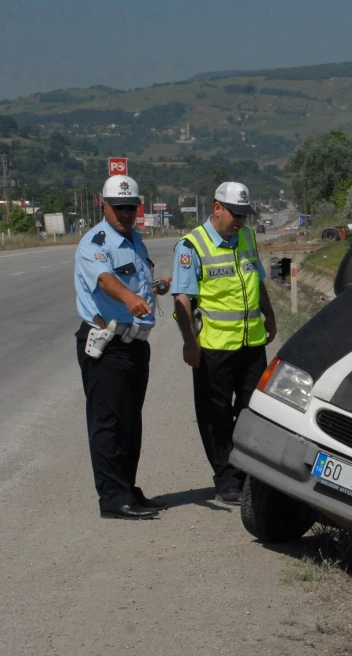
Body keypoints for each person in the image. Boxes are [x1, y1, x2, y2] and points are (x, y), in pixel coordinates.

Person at [171, 182, 278, 505]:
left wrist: (269, 317)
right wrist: (190, 342)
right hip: (214, 347)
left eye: (245, 215)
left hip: (251, 342)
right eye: (235, 214)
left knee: (252, 411)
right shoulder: (191, 245)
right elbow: (182, 299)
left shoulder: (247, 236)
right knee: (215, 415)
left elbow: (256, 280)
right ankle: (227, 478)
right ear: (217, 208)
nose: (240, 221)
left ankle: (246, 470)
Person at [75, 175, 172, 520]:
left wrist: (155, 287)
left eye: (131, 207)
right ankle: (113, 499)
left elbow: (138, 281)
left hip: (134, 345)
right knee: (108, 423)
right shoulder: (96, 242)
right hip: (107, 344)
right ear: (104, 205)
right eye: (119, 208)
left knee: (130, 423)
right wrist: (129, 297)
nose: (125, 214)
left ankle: (127, 488)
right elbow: (104, 278)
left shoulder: (135, 241)